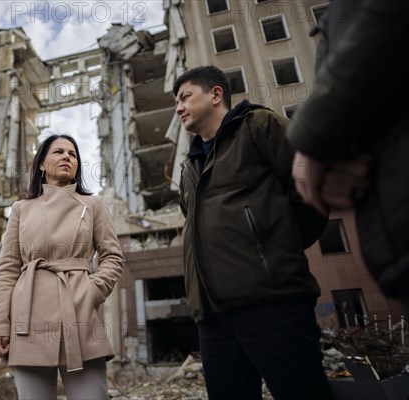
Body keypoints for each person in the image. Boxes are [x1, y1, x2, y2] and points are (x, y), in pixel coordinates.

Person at [174, 66, 332, 400]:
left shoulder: (259, 125)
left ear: (216, 94)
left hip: (272, 302)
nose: (178, 107)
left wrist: (274, 253)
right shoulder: (189, 166)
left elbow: (311, 189)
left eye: (185, 96)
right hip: (213, 317)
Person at [287, 0, 409, 318]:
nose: (179, 106)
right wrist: (337, 167)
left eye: (185, 96)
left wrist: (312, 139)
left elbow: (383, 30)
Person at [0, 134, 125, 399]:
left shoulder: (93, 205)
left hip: (80, 314)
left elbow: (113, 256)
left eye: (72, 154)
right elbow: (6, 271)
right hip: (27, 320)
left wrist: (92, 291)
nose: (66, 157)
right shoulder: (20, 209)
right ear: (41, 164)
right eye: (59, 152)